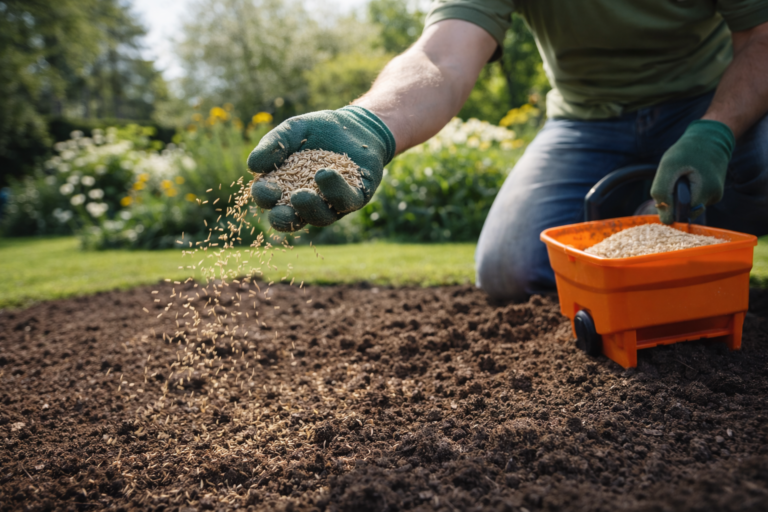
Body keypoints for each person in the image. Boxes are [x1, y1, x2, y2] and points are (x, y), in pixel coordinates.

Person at [249, 0, 768, 301]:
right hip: (585, 123)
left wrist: (716, 131)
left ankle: (673, 232)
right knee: (509, 269)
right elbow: (443, 57)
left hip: (708, 105)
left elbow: (761, 36)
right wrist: (369, 122)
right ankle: (643, 224)